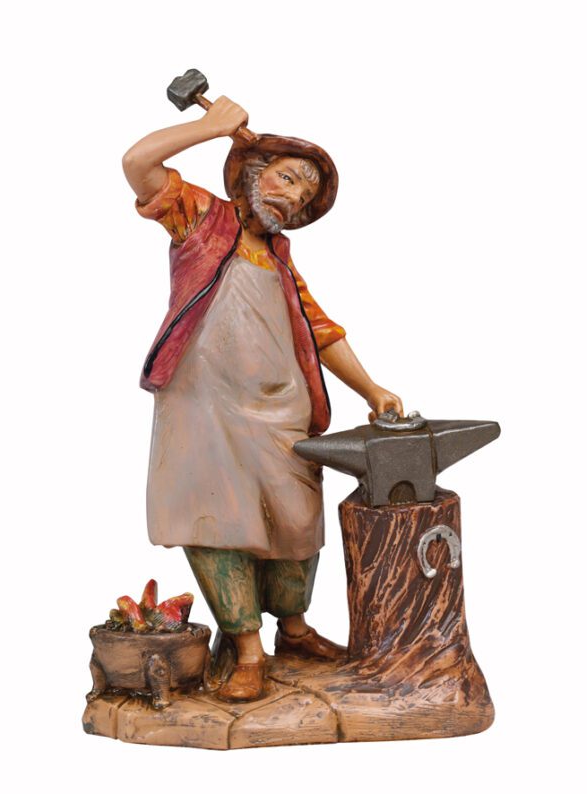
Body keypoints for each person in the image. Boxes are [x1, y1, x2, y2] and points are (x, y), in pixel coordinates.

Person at [123, 96, 403, 702]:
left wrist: (372, 388)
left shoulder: (280, 260)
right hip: (203, 411)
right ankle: (247, 649)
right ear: (253, 171)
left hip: (281, 412)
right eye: (288, 177)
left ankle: (293, 630)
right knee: (217, 522)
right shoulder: (200, 218)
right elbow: (138, 163)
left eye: (305, 194)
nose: (294, 198)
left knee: (297, 520)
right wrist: (209, 126)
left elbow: (320, 329)